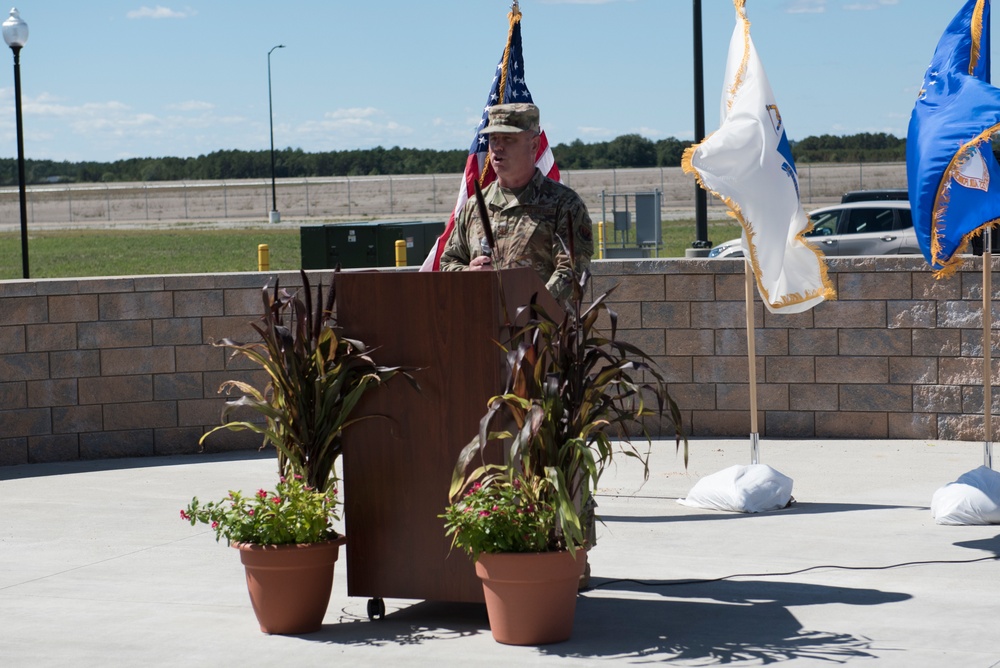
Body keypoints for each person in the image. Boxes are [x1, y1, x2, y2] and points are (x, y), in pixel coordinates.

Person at [439, 103, 593, 302]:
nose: (498, 147)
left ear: (534, 145)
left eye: (509, 139)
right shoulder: (475, 205)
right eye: (493, 139)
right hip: (483, 325)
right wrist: (469, 272)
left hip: (541, 329)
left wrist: (529, 307)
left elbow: (571, 272)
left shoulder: (564, 204)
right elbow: (448, 263)